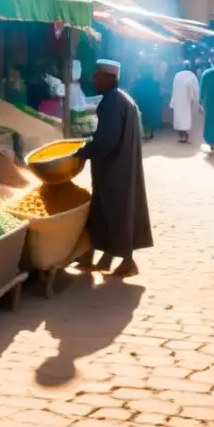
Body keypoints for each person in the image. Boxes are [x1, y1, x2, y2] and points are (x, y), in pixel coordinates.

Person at [76, 60, 153, 278]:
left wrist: (82, 151)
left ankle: (127, 262)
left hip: (114, 169)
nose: (95, 79)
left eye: (98, 75)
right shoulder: (123, 99)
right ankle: (104, 258)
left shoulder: (111, 103)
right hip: (122, 166)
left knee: (115, 214)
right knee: (106, 213)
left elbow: (107, 141)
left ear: (110, 78)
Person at [169, 62, 199, 143]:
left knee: (178, 119)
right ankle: (185, 135)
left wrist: (172, 101)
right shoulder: (192, 75)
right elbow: (195, 88)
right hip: (188, 101)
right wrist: (195, 99)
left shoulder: (177, 75)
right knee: (186, 118)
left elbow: (173, 90)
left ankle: (182, 135)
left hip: (178, 100)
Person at [132, 65, 163, 141]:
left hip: (142, 101)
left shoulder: (138, 82)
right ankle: (149, 132)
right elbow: (158, 93)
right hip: (151, 102)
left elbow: (135, 91)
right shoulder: (155, 82)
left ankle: (146, 133)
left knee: (144, 118)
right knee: (150, 117)